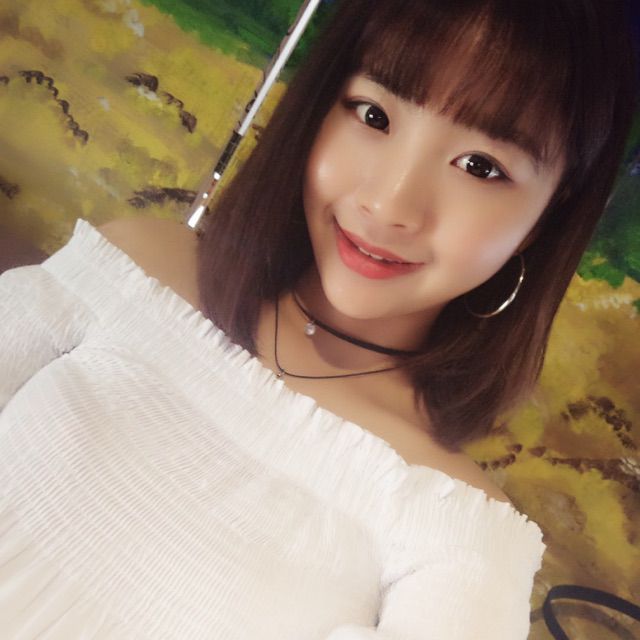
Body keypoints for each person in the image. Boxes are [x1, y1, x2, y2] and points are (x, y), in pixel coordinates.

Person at [0, 0, 636, 638]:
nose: (389, 204)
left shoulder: (456, 540)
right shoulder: (130, 271)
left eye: (480, 166)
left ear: (546, 220)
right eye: (374, 115)